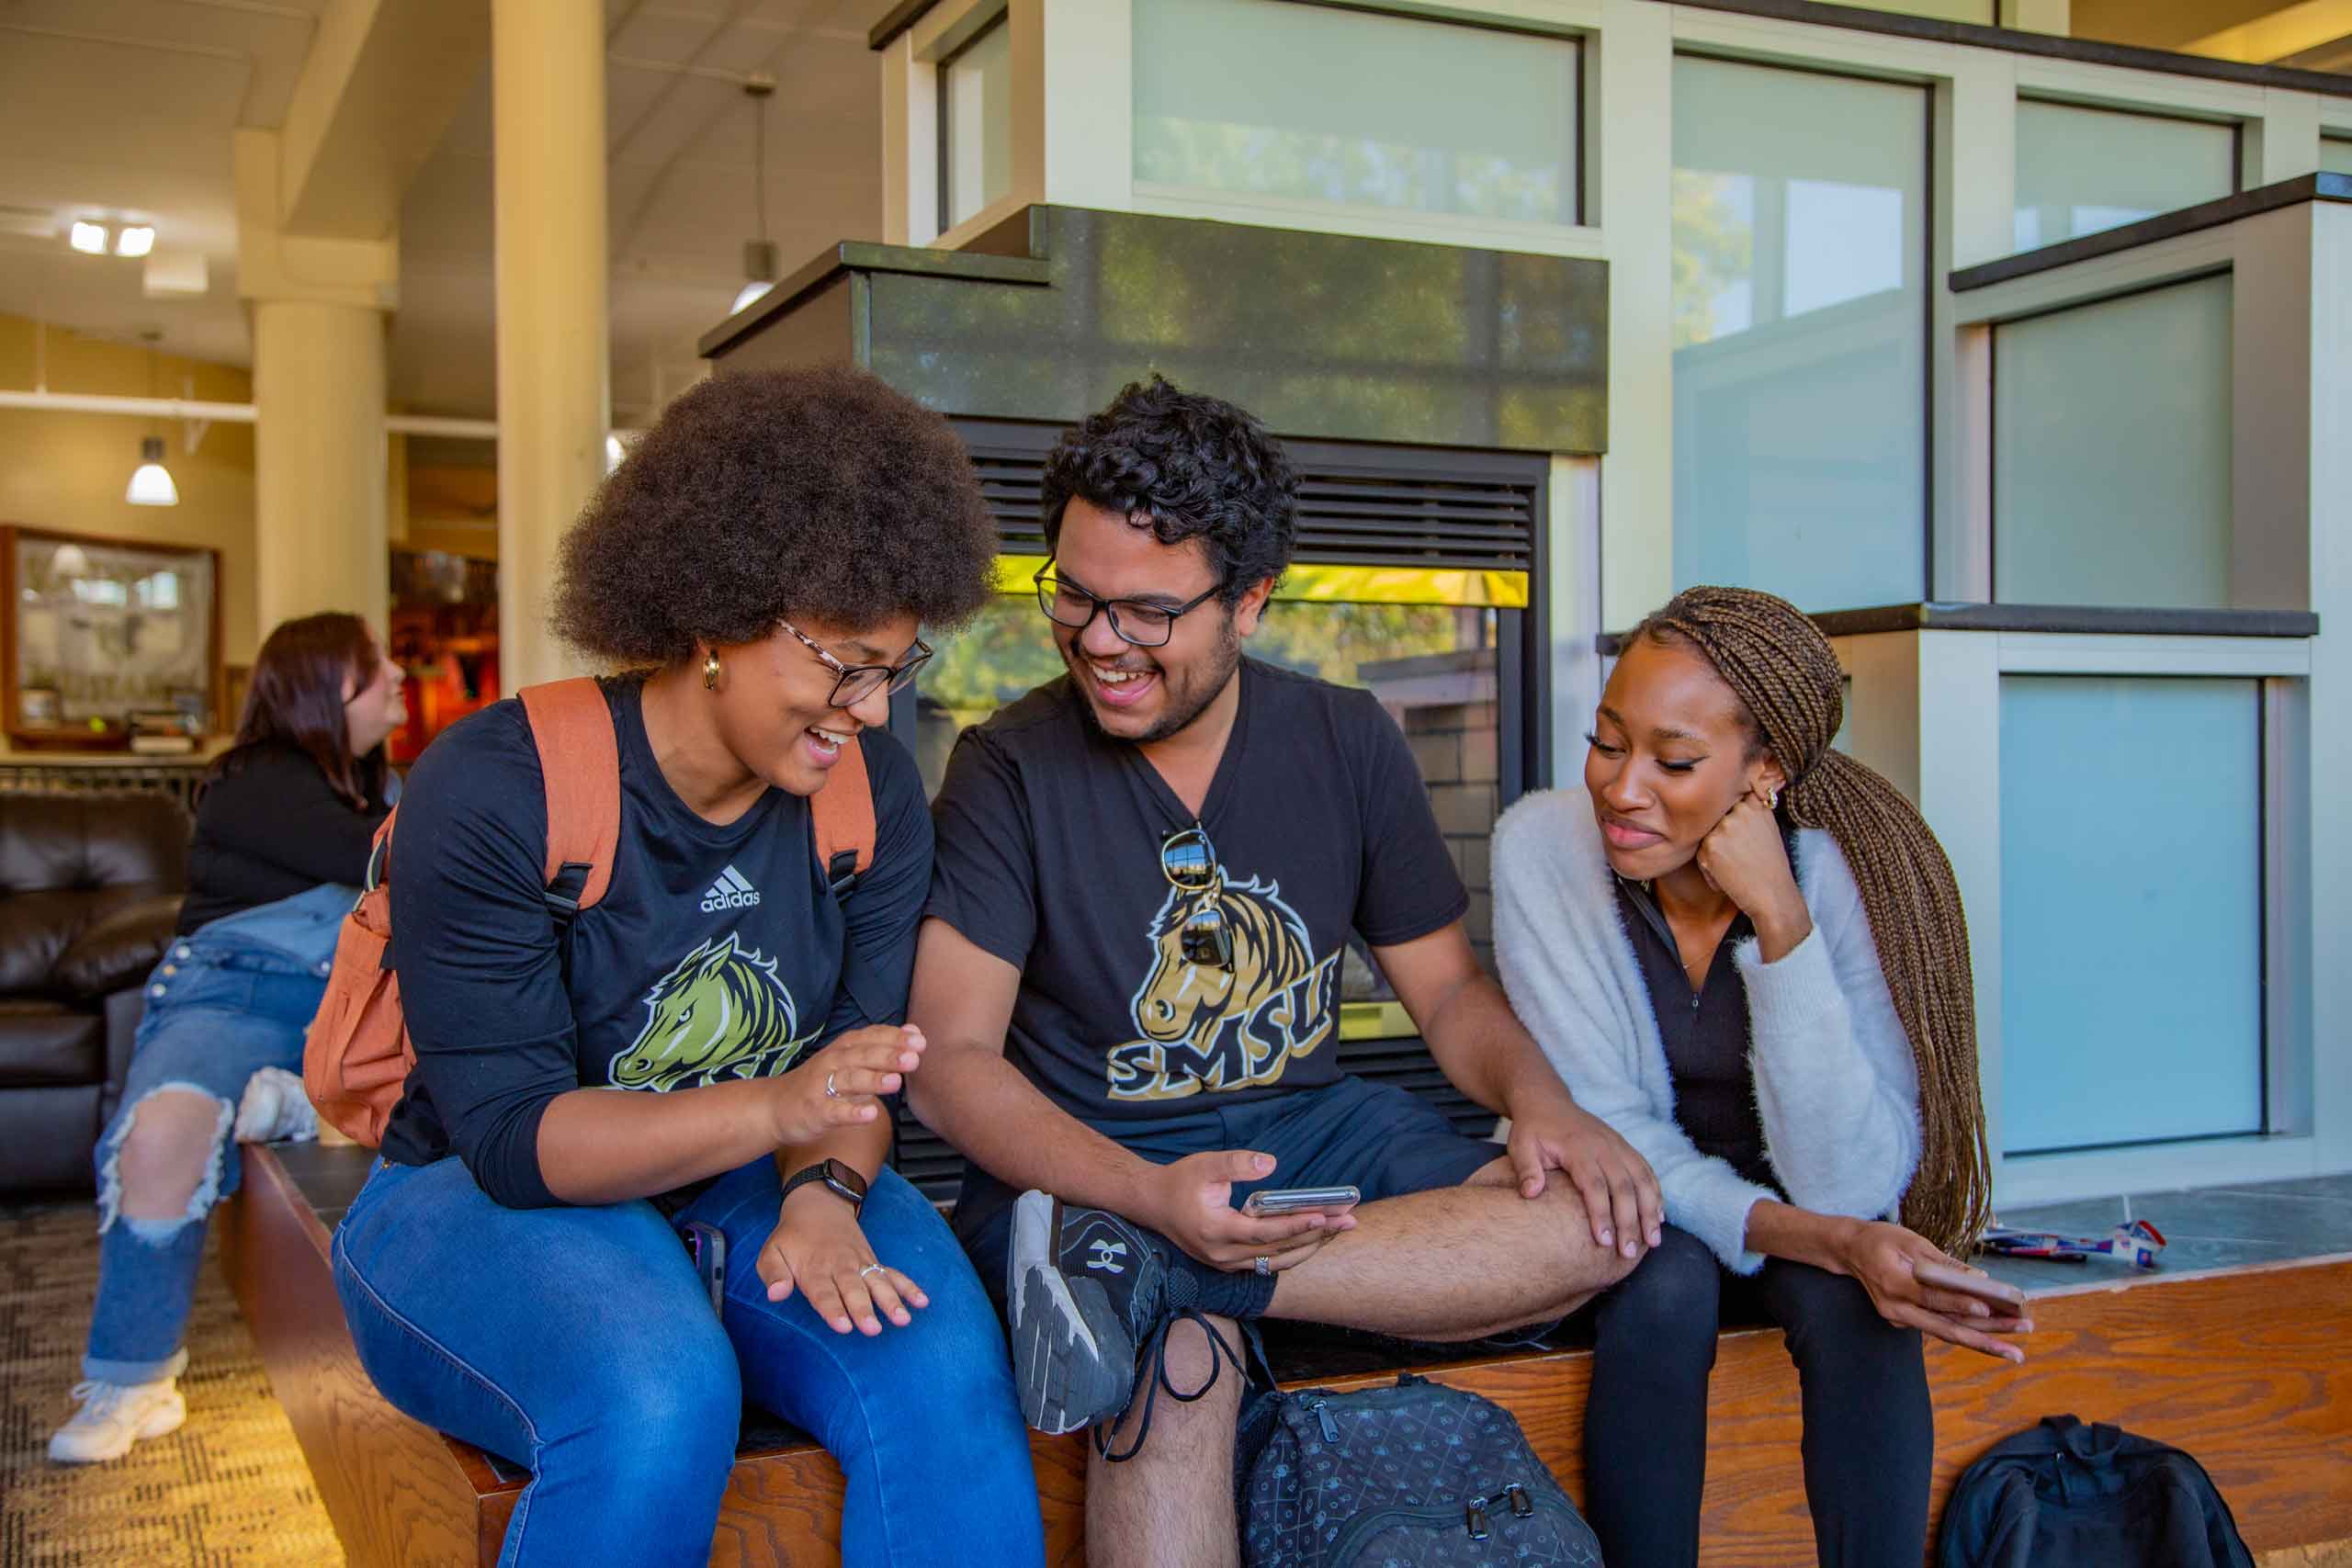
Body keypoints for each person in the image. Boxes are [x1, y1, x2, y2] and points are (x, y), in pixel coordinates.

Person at [908, 377, 1654, 1568]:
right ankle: (1147, 1281)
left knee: (1596, 1223)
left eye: (1147, 611)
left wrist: (1543, 1102)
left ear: (1249, 600)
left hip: (1303, 1138)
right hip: (1093, 1170)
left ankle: (1168, 1279)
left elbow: (1448, 993)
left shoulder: (1348, 738)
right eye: (1076, 595)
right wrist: (1147, 1196)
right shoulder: (1007, 766)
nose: (1098, 639)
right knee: (1174, 1375)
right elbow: (948, 1063)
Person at [328, 367, 1046, 1568]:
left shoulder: (867, 797)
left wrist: (823, 1198)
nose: (874, 709)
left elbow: (853, 1072)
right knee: (659, 1392)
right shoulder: (500, 785)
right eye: (844, 662)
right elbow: (512, 1139)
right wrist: (778, 1108)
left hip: (757, 1175)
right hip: (475, 1194)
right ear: (717, 619)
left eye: (895, 666)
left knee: (941, 1374)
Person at [1490, 585, 2032, 1568]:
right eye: (1606, 742)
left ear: (1765, 772)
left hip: (1800, 1206)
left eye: (1674, 761)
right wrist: (1834, 1238)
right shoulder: (1543, 851)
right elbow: (1609, 1132)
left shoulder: (1850, 875)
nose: (1621, 788)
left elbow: (1848, 1182)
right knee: (1662, 1282)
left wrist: (1784, 924)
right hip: (1620, 1198)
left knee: (1858, 1302)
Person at [51, 611, 406, 1463]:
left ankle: (299, 1092)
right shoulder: (254, 778)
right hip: (235, 995)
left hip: (355, 1000)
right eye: (377, 663)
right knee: (161, 1129)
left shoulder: (387, 790)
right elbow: (384, 860)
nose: (400, 673)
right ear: (330, 684)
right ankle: (133, 1377)